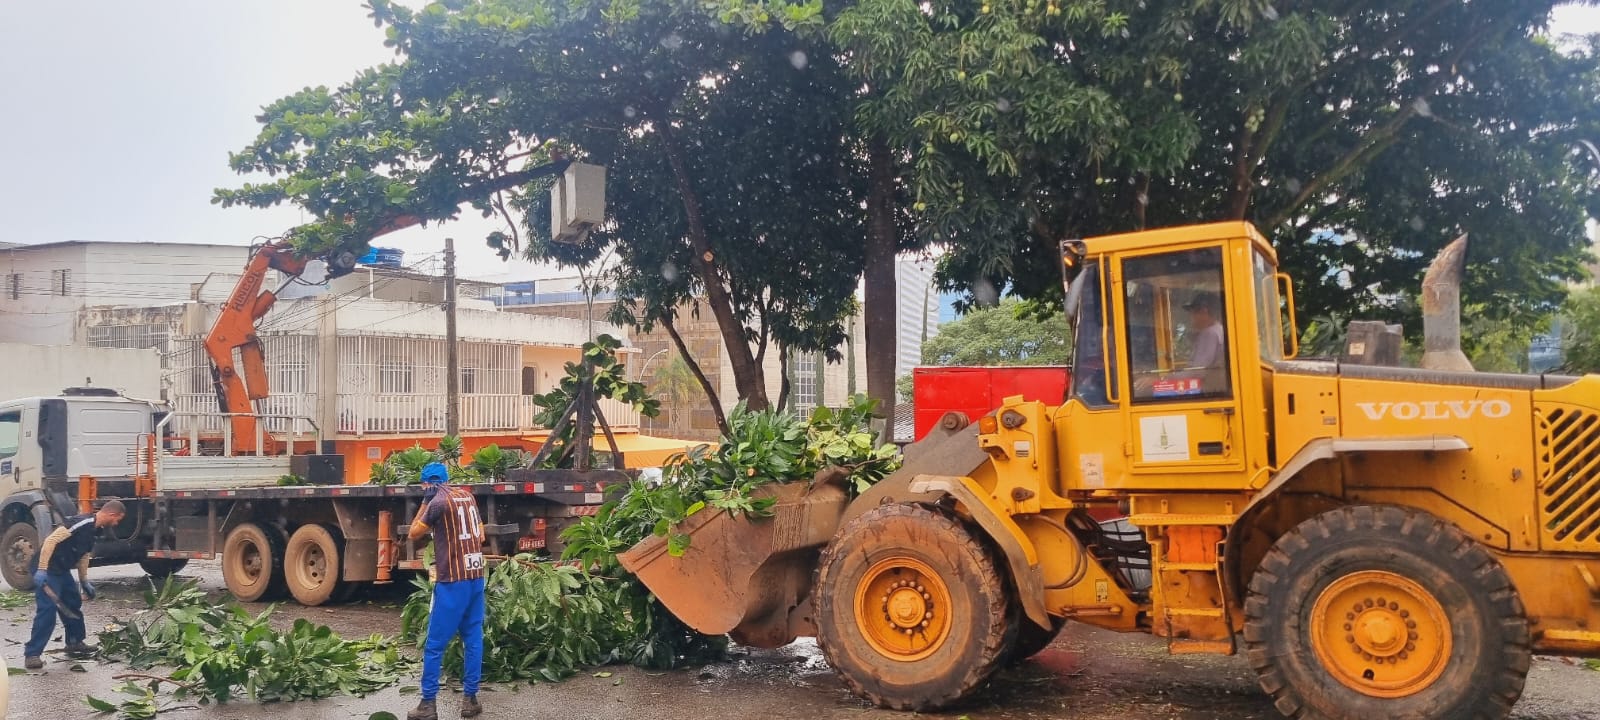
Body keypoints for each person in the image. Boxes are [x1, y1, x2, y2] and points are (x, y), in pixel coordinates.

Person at [406, 463, 486, 720]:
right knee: (473, 638)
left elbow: (413, 533)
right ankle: (470, 700)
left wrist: (424, 503)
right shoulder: (467, 496)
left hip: (452, 580)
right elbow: (481, 535)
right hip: (475, 577)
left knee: (435, 644)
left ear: (427, 483)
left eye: (423, 484)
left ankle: (427, 704)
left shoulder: (437, 502)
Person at [24, 500, 125, 669]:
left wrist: (84, 580)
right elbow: (50, 541)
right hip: (47, 569)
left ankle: (74, 642)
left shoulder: (96, 530)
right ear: (111, 514)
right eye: (117, 520)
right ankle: (32, 654)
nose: (116, 524)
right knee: (48, 610)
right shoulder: (81, 523)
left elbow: (84, 555)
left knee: (72, 603)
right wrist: (41, 570)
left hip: (61, 570)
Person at [1184, 291, 1227, 369]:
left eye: (1193, 313)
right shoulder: (1219, 330)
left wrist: (1168, 378)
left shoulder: (1209, 333)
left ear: (1204, 312)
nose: (1191, 318)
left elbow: (1197, 370)